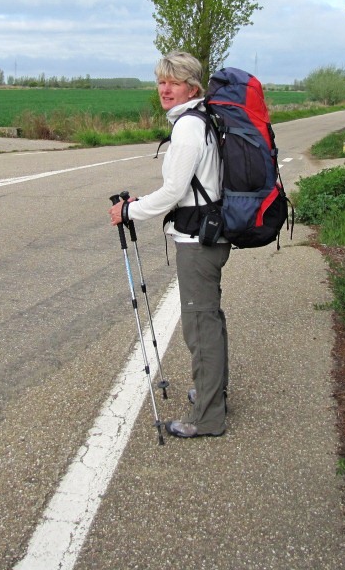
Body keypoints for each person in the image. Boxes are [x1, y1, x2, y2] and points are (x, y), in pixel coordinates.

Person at [108, 50, 230, 439]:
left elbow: (174, 191)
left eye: (174, 82)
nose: (165, 89)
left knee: (200, 324)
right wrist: (141, 204)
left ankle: (208, 416)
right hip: (208, 233)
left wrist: (130, 210)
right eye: (161, 81)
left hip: (199, 240)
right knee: (209, 319)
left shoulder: (188, 127)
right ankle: (212, 394)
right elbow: (186, 188)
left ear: (192, 87)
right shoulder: (200, 119)